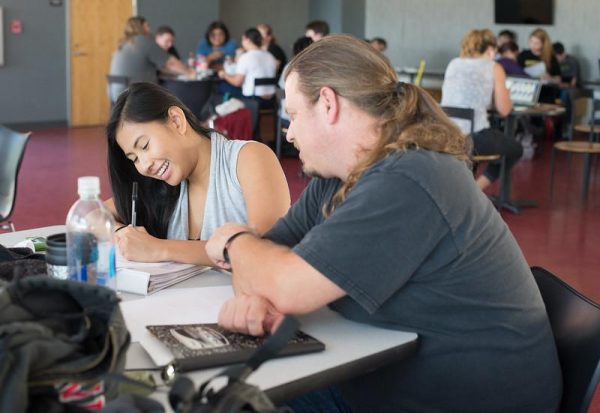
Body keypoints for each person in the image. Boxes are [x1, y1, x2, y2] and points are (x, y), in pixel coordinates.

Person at [205, 34, 561, 412]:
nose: (289, 133)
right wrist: (259, 286)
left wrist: (233, 240)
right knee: (228, 395)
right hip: (384, 380)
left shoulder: (410, 177)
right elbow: (272, 255)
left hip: (467, 400)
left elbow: (282, 282)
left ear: (327, 103)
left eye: (293, 115)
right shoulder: (337, 176)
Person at [105, 82, 290, 265]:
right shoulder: (162, 186)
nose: (144, 166)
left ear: (177, 121)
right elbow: (93, 213)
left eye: (144, 146)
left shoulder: (248, 158)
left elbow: (267, 248)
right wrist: (123, 235)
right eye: (134, 159)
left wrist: (159, 248)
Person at [442, 29, 522, 191]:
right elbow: (504, 110)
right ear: (491, 49)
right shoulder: (494, 67)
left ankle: (467, 190)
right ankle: (475, 191)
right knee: (514, 149)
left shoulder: (453, 63)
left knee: (482, 152)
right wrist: (506, 94)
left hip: (447, 134)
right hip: (473, 137)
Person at [108, 17, 193, 102]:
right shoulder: (144, 41)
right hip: (134, 96)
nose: (150, 29)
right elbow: (170, 63)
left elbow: (163, 67)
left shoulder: (124, 43)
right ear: (141, 27)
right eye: (147, 25)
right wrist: (190, 72)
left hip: (115, 94)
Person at [218, 28, 278, 134]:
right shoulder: (270, 56)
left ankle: (225, 128)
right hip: (271, 101)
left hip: (253, 100)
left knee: (220, 87)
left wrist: (224, 75)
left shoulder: (246, 57)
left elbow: (237, 82)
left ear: (247, 40)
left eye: (242, 40)